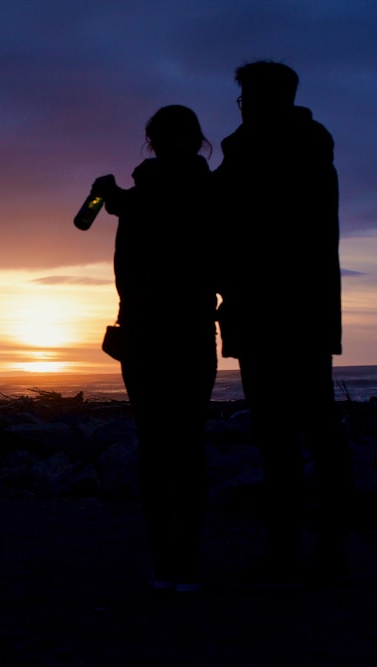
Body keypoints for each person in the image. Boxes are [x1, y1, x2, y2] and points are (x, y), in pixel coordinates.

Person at [213, 61, 352, 585]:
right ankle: (316, 551)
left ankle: (295, 553)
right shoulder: (307, 147)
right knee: (311, 432)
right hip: (300, 312)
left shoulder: (257, 152)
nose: (242, 106)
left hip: (272, 312)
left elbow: (225, 220)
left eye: (246, 97)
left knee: (286, 434)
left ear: (259, 99)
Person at [90, 105, 218, 593]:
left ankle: (165, 564)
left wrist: (108, 195)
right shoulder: (210, 190)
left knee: (156, 446)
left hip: (144, 329)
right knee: (187, 444)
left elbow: (88, 221)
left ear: (151, 141)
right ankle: (186, 564)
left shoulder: (136, 196)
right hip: (189, 328)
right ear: (197, 140)